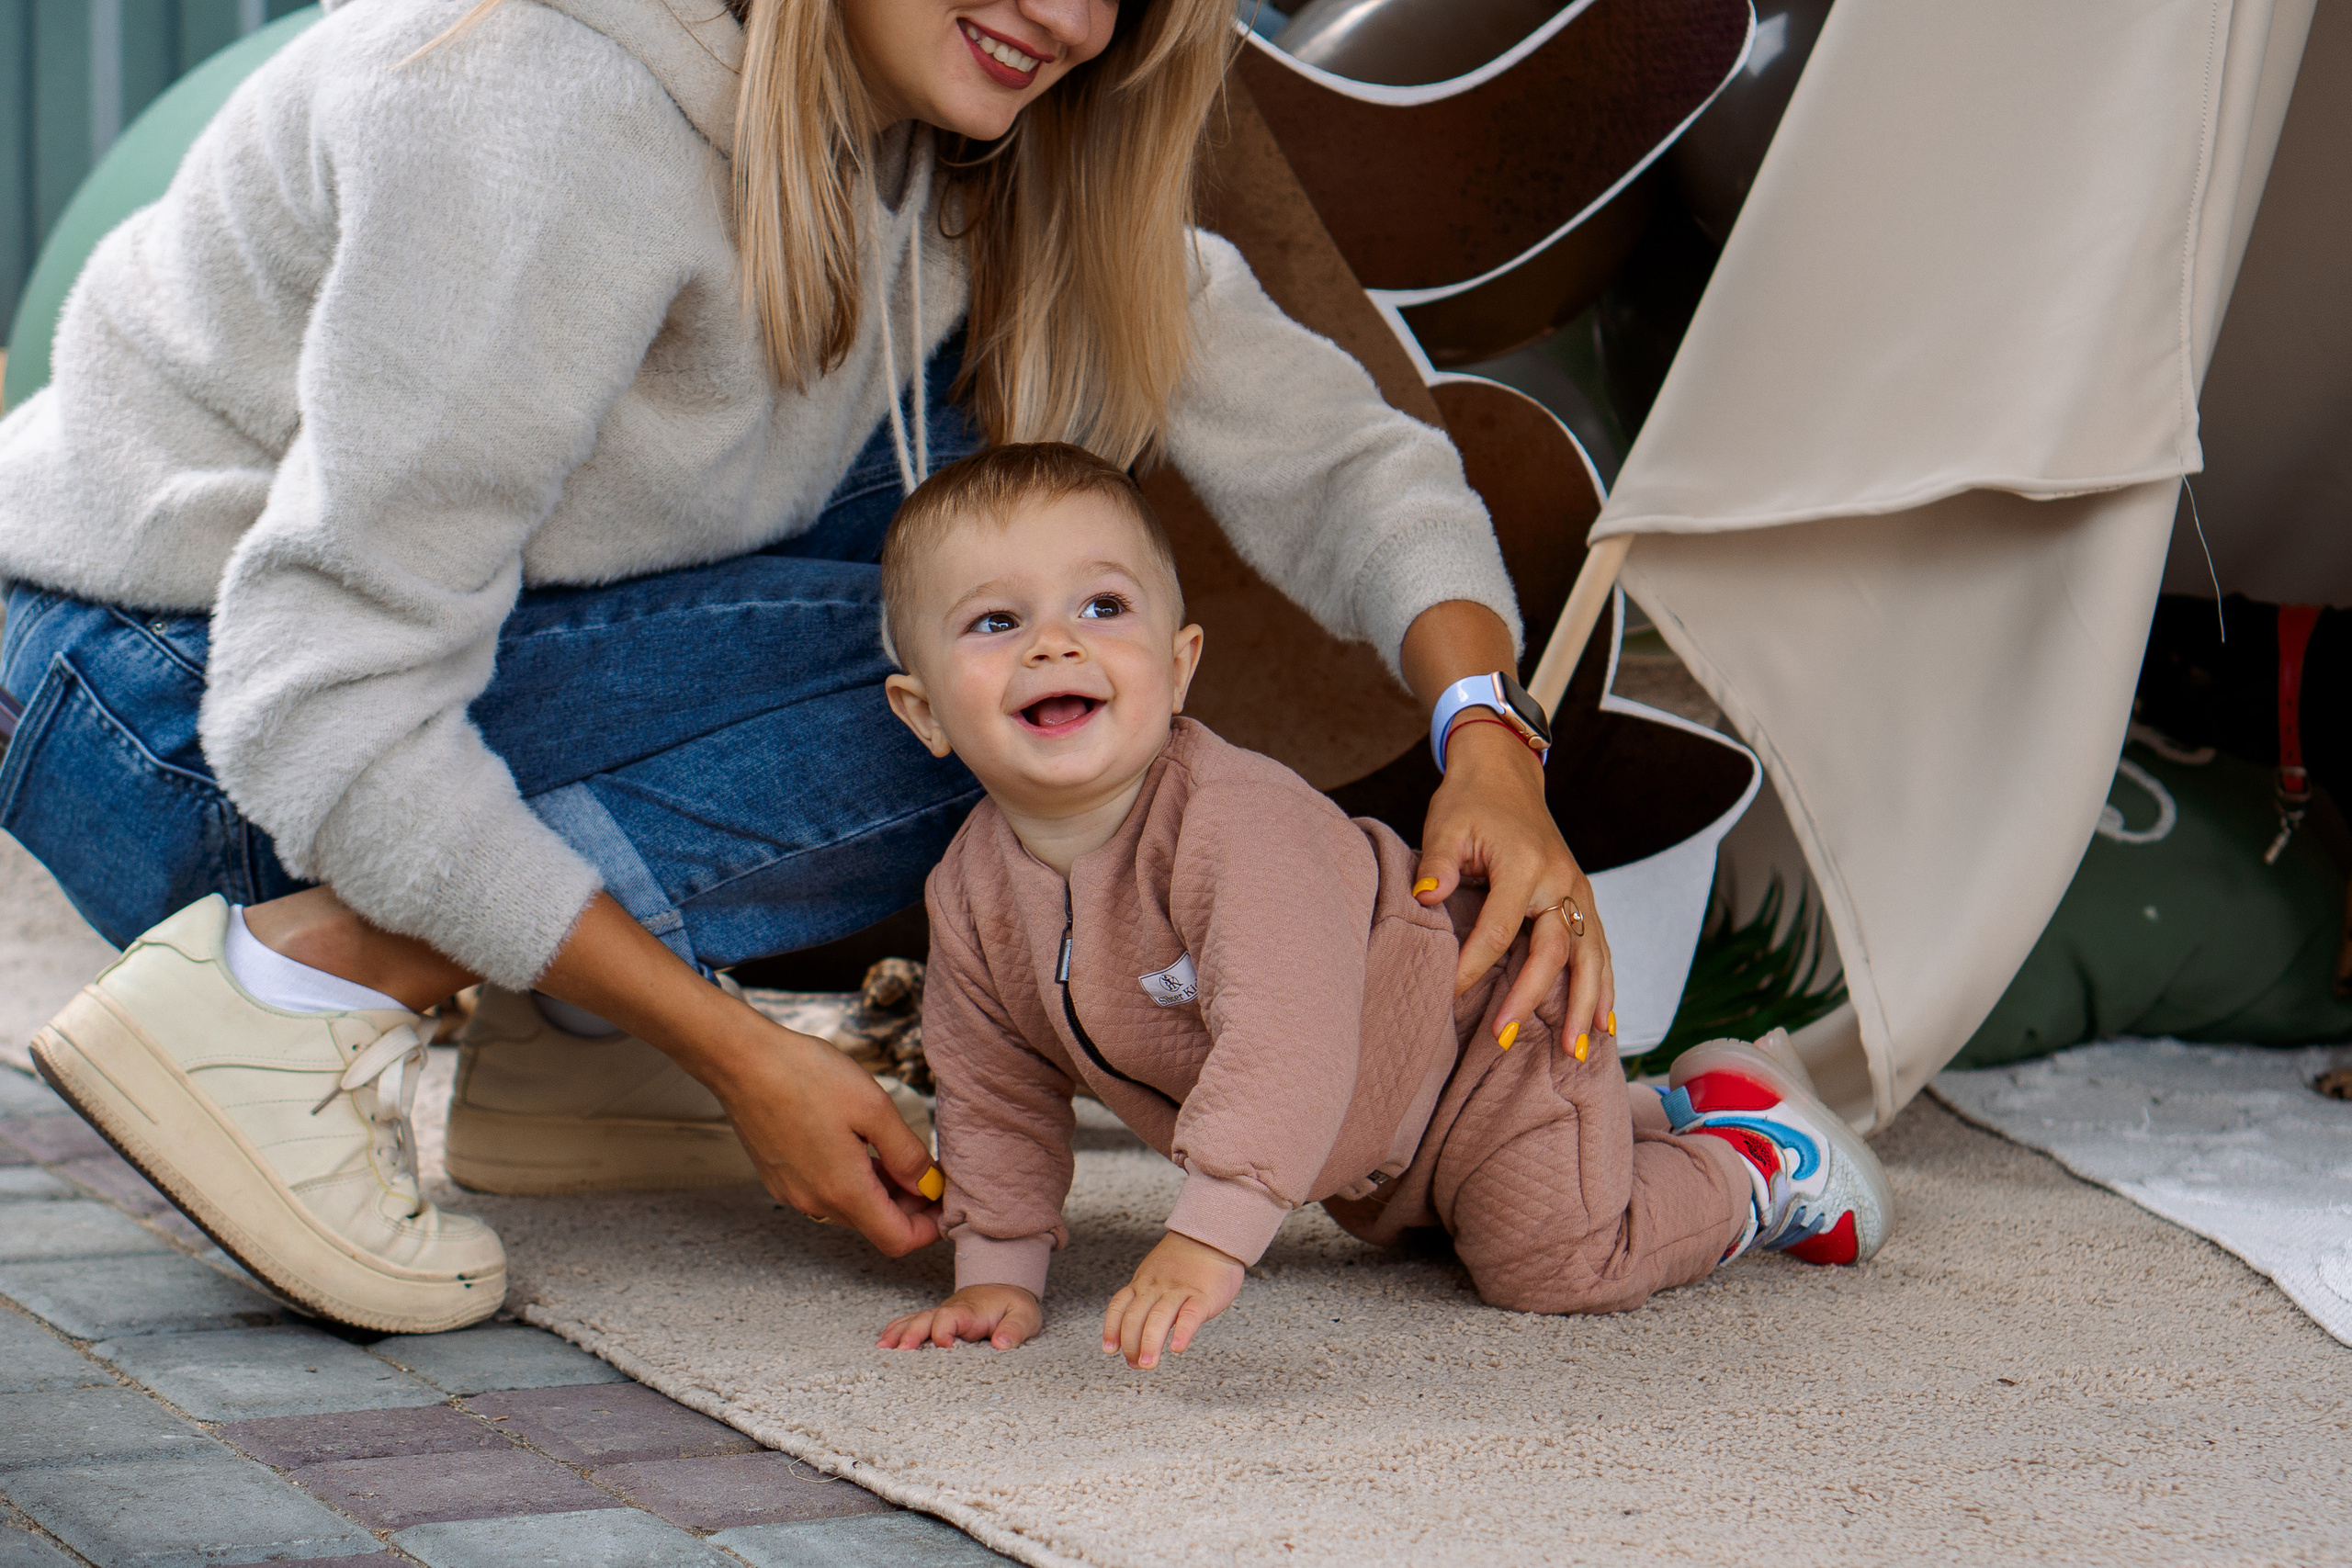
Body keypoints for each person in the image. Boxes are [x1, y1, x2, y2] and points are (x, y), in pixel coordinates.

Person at [0, 0, 1603, 1334]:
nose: (1064, 18)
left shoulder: (958, 139)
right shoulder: (543, 104)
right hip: (158, 699)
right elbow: (318, 697)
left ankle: (559, 1062)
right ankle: (290, 988)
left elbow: (1336, 454)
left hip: (300, 669)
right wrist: (741, 1051)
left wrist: (1485, 737)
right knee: (1008, 682)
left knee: (1015, 562)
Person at [868, 445, 1893, 1366]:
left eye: (1101, 608)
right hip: (1369, 1143)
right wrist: (995, 1272)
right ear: (924, 714)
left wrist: (1206, 1238)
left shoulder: (1236, 823)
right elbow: (992, 1085)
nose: (1054, 645)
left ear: (1179, 667)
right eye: (997, 622)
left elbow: (1288, 1039)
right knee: (1454, 1228)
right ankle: (1646, 1119)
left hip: (1486, 1047)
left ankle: (1754, 1161)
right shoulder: (971, 891)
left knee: (1556, 1261)